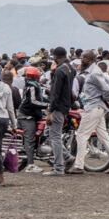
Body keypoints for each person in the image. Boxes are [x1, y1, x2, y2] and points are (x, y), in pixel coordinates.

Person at [69, 53, 109, 174]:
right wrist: (104, 100)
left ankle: (78, 165)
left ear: (89, 60)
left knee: (81, 135)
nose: (81, 60)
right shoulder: (93, 71)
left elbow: (107, 89)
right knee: (104, 137)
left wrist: (106, 99)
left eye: (83, 57)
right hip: (97, 108)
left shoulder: (94, 73)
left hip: (93, 107)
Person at [43, 47, 74, 176]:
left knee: (55, 137)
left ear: (55, 57)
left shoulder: (60, 71)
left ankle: (58, 168)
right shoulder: (70, 68)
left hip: (57, 107)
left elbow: (55, 93)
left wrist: (50, 111)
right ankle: (67, 157)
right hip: (65, 106)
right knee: (51, 134)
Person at [17, 66, 46, 173]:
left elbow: (39, 99)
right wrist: (47, 105)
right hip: (27, 116)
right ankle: (30, 165)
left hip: (31, 115)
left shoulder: (33, 85)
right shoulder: (32, 87)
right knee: (30, 139)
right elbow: (33, 102)